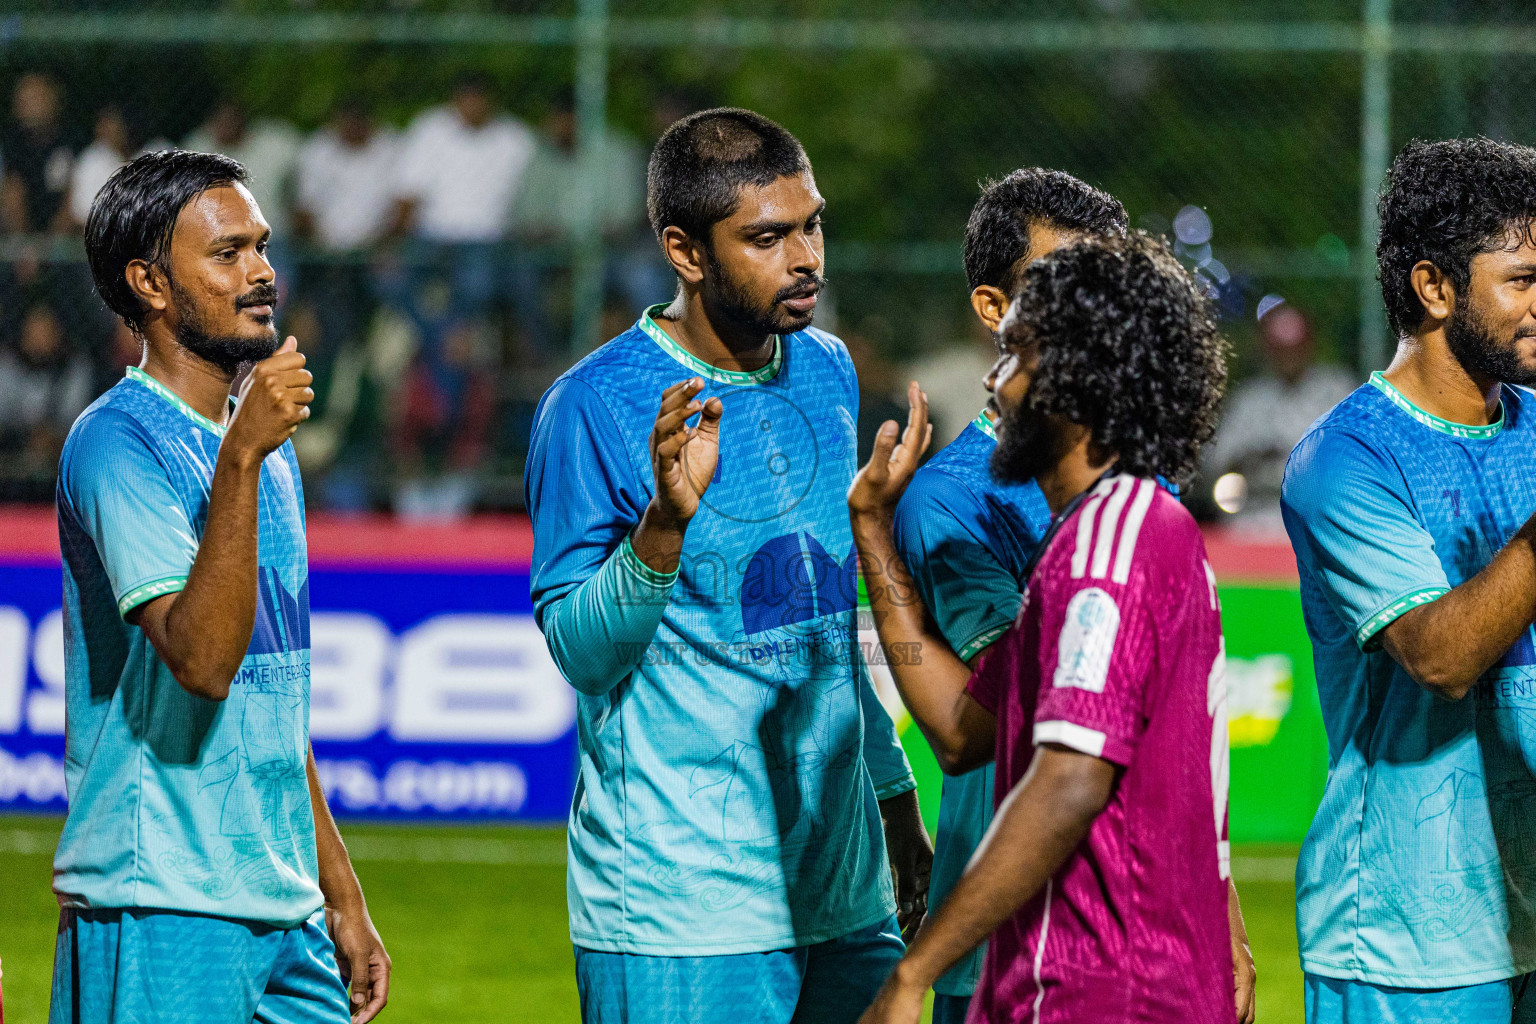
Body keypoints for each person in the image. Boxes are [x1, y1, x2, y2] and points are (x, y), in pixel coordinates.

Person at [525, 108, 929, 1024]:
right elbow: (582, 654)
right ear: (686, 250)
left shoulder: (826, 370)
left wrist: (894, 799)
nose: (806, 257)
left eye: (812, 224)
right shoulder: (591, 406)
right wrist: (665, 525)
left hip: (846, 895)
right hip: (685, 915)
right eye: (767, 237)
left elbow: (820, 626)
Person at [848, 232, 1245, 1024]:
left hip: (1100, 989)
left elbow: (1067, 780)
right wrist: (872, 530)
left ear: (1078, 384)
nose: (994, 382)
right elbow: (966, 734)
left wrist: (914, 970)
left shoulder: (1110, 545)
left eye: (1016, 356)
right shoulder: (1121, 529)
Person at [49, 149, 390, 1024]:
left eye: (262, 247)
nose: (263, 272)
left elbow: (268, 687)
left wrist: (340, 893)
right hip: (157, 891)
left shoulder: (261, 453)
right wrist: (240, 456)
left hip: (280, 907)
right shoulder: (117, 444)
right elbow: (201, 660)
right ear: (150, 284)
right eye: (228, 252)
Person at [1282, 138, 1536, 1022]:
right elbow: (1441, 655)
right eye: (1525, 280)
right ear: (1434, 289)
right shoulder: (1347, 459)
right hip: (1408, 945)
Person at [891, 168, 1151, 1024]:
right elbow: (1012, 707)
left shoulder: (1151, 477)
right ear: (993, 308)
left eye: (1103, 284)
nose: (1090, 313)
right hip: (1008, 940)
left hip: (1140, 927)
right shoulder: (952, 501)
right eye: (1057, 287)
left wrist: (1224, 922)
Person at [1204, 302, 1354, 531]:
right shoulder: (1250, 398)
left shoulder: (1336, 390)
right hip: (1256, 510)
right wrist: (1253, 455)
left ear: (1308, 346)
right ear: (1269, 350)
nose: (1289, 357)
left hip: (1319, 513)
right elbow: (1217, 462)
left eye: (1294, 348)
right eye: (1281, 349)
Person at [0, 72, 78, 236]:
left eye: (35, 99)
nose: (27, 106)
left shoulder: (72, 141)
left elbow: (75, 195)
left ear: (53, 101)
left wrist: (51, 246)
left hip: (62, 235)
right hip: (21, 239)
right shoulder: (10, 144)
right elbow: (12, 195)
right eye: (23, 100)